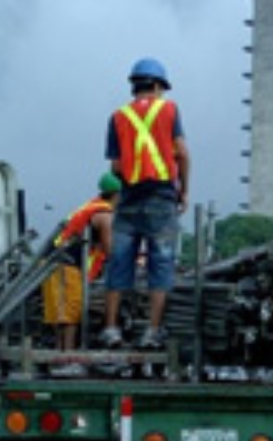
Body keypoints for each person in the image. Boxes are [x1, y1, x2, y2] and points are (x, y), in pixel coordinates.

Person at [102, 57, 191, 349]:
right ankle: (152, 331)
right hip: (161, 198)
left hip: (129, 198)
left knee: (119, 263)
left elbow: (115, 166)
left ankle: (111, 329)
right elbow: (182, 153)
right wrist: (183, 191)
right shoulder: (169, 110)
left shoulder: (118, 117)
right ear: (156, 84)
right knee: (161, 264)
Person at [42, 172, 121, 361]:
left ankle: (62, 355)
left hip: (56, 264)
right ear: (118, 194)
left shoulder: (90, 207)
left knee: (63, 313)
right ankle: (66, 357)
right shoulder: (104, 214)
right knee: (68, 314)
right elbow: (111, 250)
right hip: (65, 265)